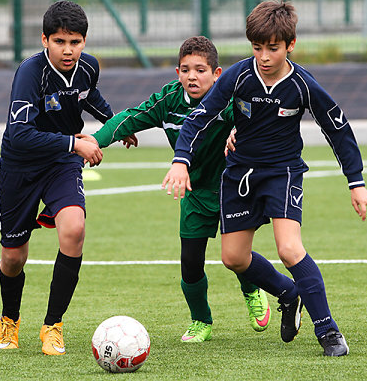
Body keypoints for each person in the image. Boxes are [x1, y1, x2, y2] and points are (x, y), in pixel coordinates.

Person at [162, 0, 367, 356]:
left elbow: (337, 130)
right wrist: (180, 160)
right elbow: (199, 116)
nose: (264, 56)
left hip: (283, 173)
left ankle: (328, 331)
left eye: (273, 48)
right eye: (257, 47)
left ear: (290, 45)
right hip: (239, 176)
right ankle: (288, 293)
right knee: (233, 258)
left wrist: (356, 183)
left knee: (289, 248)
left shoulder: (302, 84)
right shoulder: (239, 75)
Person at [80, 36, 271, 343]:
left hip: (234, 188)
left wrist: (239, 132)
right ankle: (201, 321)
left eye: (200, 69)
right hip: (194, 191)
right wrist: (97, 139)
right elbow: (131, 117)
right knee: (190, 262)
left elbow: (256, 121)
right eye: (185, 69)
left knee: (236, 255)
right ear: (177, 72)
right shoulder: (169, 100)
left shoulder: (230, 98)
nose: (192, 76)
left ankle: (251, 289)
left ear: (217, 73)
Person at [0, 0, 134, 355]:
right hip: (21, 166)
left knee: (74, 229)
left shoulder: (88, 67)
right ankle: (10, 319)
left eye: (75, 42)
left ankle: (52, 326)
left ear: (84, 41)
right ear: (45, 40)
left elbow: (89, 96)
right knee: (13, 257)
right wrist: (75, 142)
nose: (68, 50)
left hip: (61, 164)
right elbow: (20, 133)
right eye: (59, 42)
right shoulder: (30, 73)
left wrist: (116, 123)